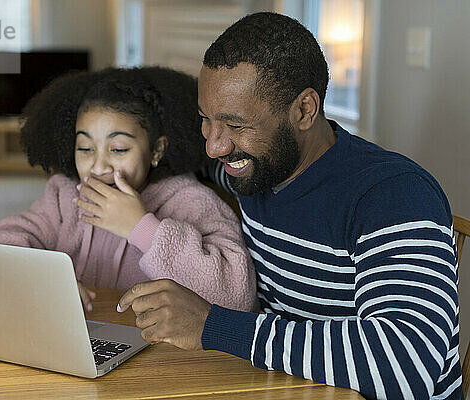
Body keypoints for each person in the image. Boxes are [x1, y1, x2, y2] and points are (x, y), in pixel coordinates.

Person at [117, 12, 462, 400]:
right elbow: (188, 159)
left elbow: (405, 367)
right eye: (206, 120)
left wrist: (212, 326)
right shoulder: (250, 168)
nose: (215, 146)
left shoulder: (393, 195)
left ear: (304, 110)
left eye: (236, 125)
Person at [0, 67, 256, 313]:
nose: (98, 166)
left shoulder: (190, 201)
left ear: (156, 149)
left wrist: (141, 227)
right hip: (82, 343)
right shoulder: (65, 196)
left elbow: (236, 296)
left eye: (118, 149)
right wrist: (39, 277)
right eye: (85, 148)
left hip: (162, 355)